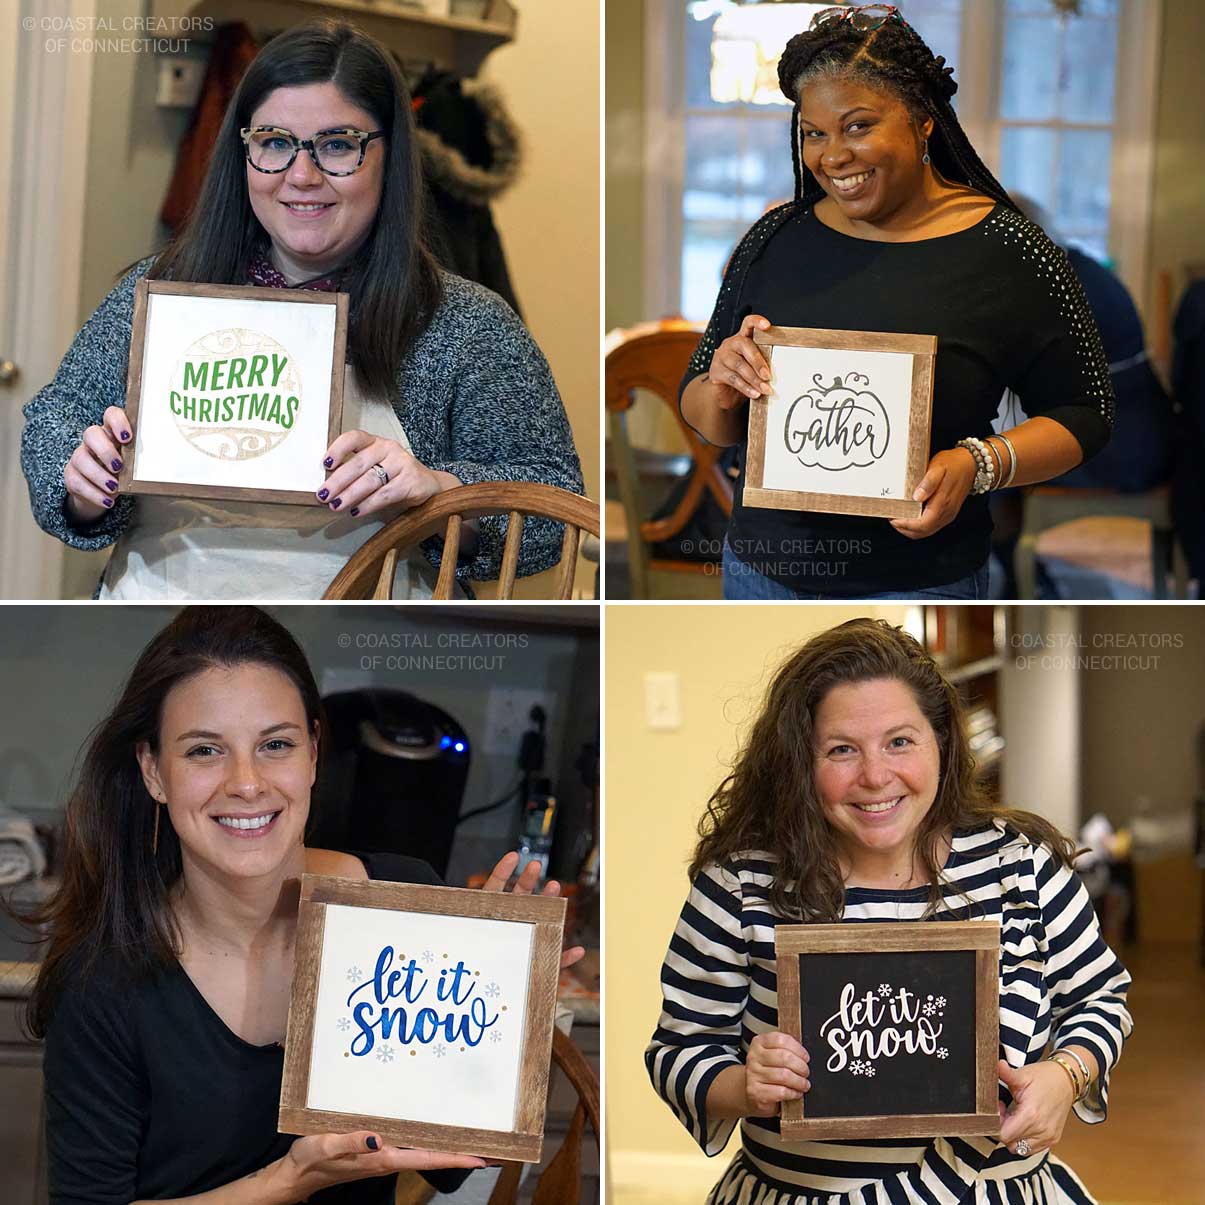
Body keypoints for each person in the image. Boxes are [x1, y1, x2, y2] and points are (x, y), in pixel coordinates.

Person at [21, 606, 583, 1203]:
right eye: (204, 751)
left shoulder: (397, 903)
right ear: (153, 771)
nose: (246, 782)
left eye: (276, 744)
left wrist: (497, 1016)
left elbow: (457, 1158)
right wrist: (289, 1180)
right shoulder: (102, 980)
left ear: (314, 752)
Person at [20, 20, 583, 600]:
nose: (302, 176)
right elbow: (52, 427)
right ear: (243, 149)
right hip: (164, 627)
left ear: (391, 157)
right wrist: (83, 481)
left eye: (338, 145)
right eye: (274, 142)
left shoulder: (466, 324)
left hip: (366, 652)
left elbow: (551, 515)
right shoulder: (160, 290)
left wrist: (438, 494)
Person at [646, 618, 1132, 1204]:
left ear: (942, 744)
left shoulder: (1021, 866)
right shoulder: (740, 884)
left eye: (900, 741)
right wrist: (745, 1086)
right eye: (842, 750)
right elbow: (678, 1050)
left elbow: (1099, 1001)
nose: (875, 776)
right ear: (801, 762)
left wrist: (1065, 1075)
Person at [680, 4, 1115, 600]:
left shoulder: (1012, 249)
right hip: (759, 575)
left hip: (919, 584)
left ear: (922, 119)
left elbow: (1085, 415)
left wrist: (978, 463)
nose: (833, 156)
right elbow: (704, 413)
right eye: (814, 133)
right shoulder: (775, 239)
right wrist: (723, 385)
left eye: (858, 126)